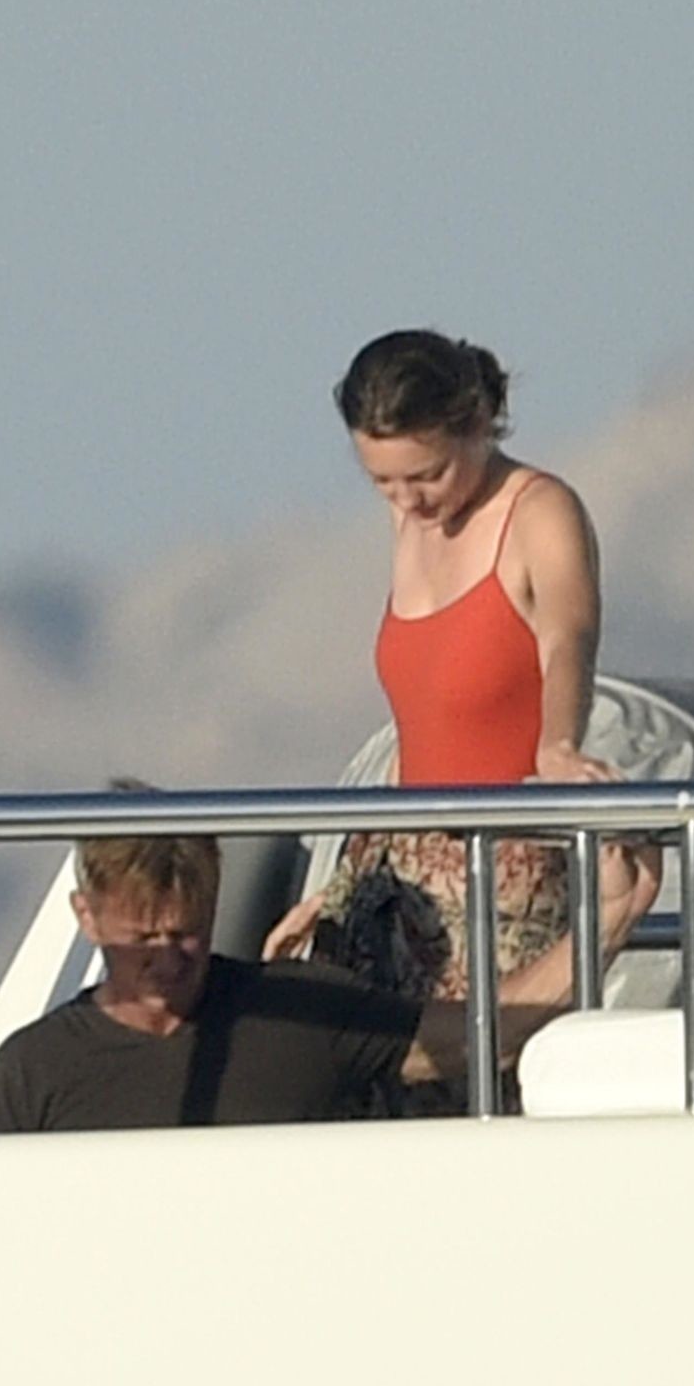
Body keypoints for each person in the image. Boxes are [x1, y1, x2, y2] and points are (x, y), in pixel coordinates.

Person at [265, 328, 620, 1069]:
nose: (407, 500)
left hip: (500, 876)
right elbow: (424, 718)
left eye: (425, 475)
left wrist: (558, 744)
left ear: (478, 423)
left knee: (477, 1076)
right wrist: (342, 888)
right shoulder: (410, 520)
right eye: (382, 482)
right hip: (395, 869)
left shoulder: (539, 511)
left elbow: (568, 635)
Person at [0, 820, 660, 1133]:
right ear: (87, 918)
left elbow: (482, 1036)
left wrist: (608, 921)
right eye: (143, 939)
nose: (169, 959)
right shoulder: (32, 1071)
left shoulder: (292, 1013)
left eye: (186, 934)